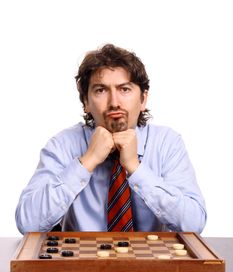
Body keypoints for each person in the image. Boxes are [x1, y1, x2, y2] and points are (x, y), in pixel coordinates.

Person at [15, 43, 207, 235]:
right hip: (81, 262)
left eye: (125, 89)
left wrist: (135, 167)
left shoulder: (167, 143)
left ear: (143, 99)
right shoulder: (62, 145)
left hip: (152, 263)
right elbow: (27, 223)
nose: (114, 102)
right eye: (101, 90)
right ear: (85, 102)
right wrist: (87, 162)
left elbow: (193, 222)